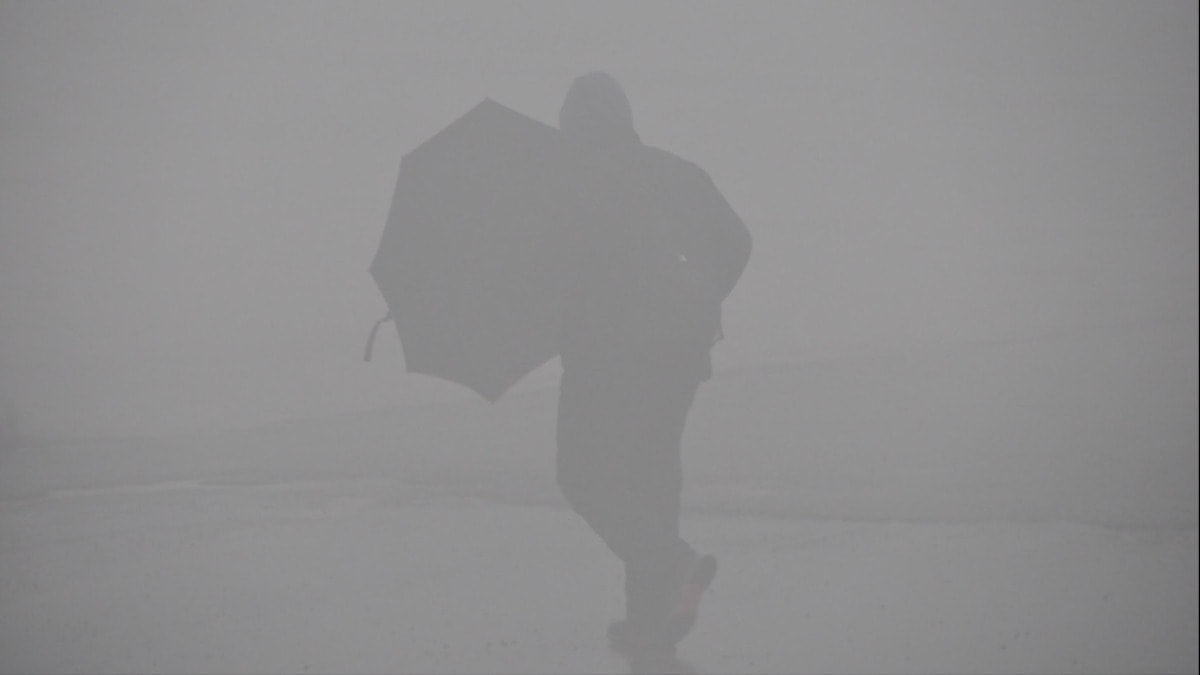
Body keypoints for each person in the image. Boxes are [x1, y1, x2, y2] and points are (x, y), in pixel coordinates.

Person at [554, 72, 752, 652]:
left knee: (582, 475)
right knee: (652, 480)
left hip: (604, 356)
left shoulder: (572, 185)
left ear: (574, 125)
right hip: (677, 354)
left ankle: (671, 563)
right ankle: (649, 620)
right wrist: (700, 296)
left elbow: (552, 275)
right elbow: (737, 242)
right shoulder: (676, 172)